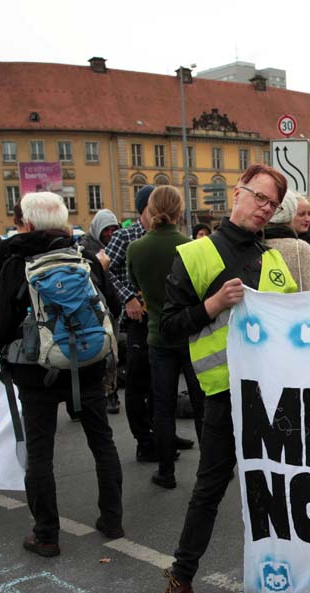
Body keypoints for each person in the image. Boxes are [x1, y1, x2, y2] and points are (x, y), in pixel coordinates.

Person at [142, 164, 299, 593]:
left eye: (272, 204)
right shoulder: (194, 255)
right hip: (223, 396)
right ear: (238, 193)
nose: (263, 208)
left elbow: (300, 325)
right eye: (258, 197)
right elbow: (167, 329)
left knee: (284, 487)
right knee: (208, 490)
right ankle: (181, 583)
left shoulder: (274, 260)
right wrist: (211, 305)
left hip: (275, 396)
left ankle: (293, 574)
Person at [0, 192, 123, 557]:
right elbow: (111, 306)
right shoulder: (83, 257)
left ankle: (46, 534)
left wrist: (8, 360)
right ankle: (112, 519)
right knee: (102, 442)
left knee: (40, 453)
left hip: (37, 370)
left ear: (28, 224)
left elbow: (3, 325)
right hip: (88, 364)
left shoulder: (15, 261)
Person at [126, 186, 204, 491]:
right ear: (179, 211)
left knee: (162, 405)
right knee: (201, 404)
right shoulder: (191, 247)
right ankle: (208, 469)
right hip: (190, 334)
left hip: (158, 335)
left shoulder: (137, 249)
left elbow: (135, 284)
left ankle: (166, 469)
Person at [101, 186, 167, 462]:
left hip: (163, 317)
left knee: (160, 382)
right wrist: (128, 297)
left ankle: (164, 434)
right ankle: (144, 440)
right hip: (137, 319)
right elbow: (105, 270)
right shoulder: (124, 236)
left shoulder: (165, 232)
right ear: (143, 209)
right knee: (139, 381)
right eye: (152, 209)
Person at [80, 209, 125, 416]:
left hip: (111, 309)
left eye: (114, 229)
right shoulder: (84, 249)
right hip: (91, 310)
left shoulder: (119, 246)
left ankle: (110, 392)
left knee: (111, 355)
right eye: (107, 229)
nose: (110, 233)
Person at [262, 193, 310, 292]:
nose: (307, 219)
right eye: (301, 214)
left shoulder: (253, 244)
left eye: (309, 214)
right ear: (291, 215)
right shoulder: (300, 249)